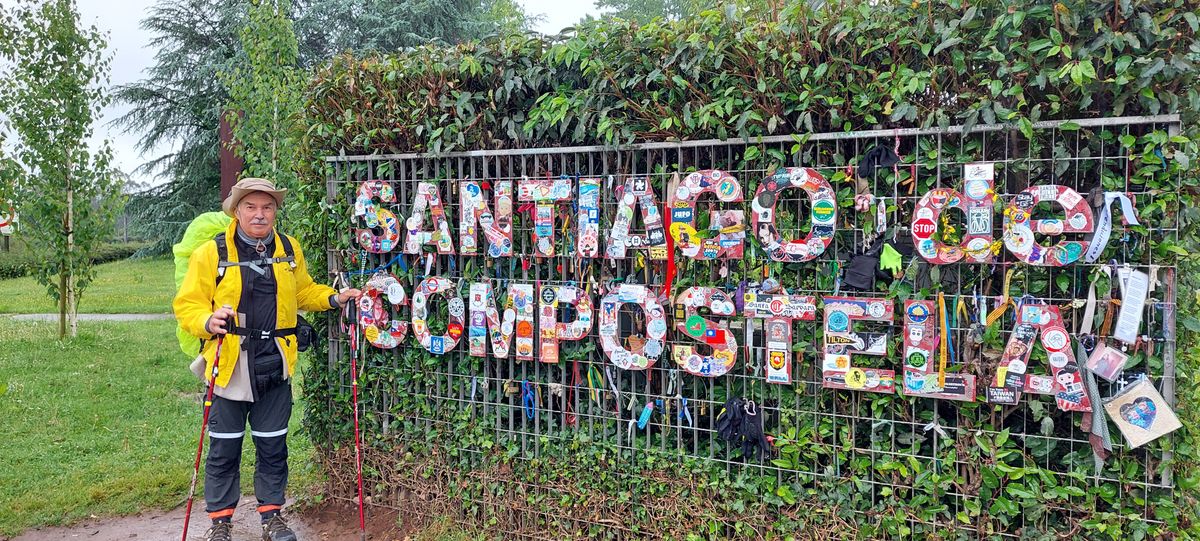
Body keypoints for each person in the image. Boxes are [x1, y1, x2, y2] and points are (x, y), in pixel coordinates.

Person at [175, 178, 360, 541]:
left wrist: (334, 299)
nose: (259, 214)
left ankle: (271, 518)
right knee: (224, 446)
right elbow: (188, 303)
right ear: (237, 210)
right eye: (251, 207)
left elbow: (303, 290)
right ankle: (220, 523)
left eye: (267, 207)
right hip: (229, 362)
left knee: (272, 443)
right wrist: (206, 321)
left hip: (275, 360)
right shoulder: (211, 254)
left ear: (275, 211)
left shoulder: (289, 248)